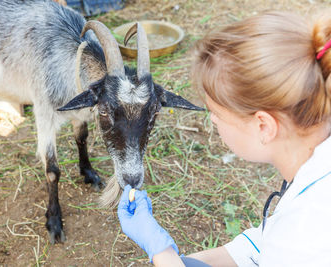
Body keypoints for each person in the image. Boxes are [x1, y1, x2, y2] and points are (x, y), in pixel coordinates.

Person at [117, 11, 331, 267]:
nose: (213, 121)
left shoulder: (307, 232)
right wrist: (178, 261)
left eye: (215, 112)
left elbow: (287, 246)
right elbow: (262, 246)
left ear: (264, 125)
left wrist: (160, 251)